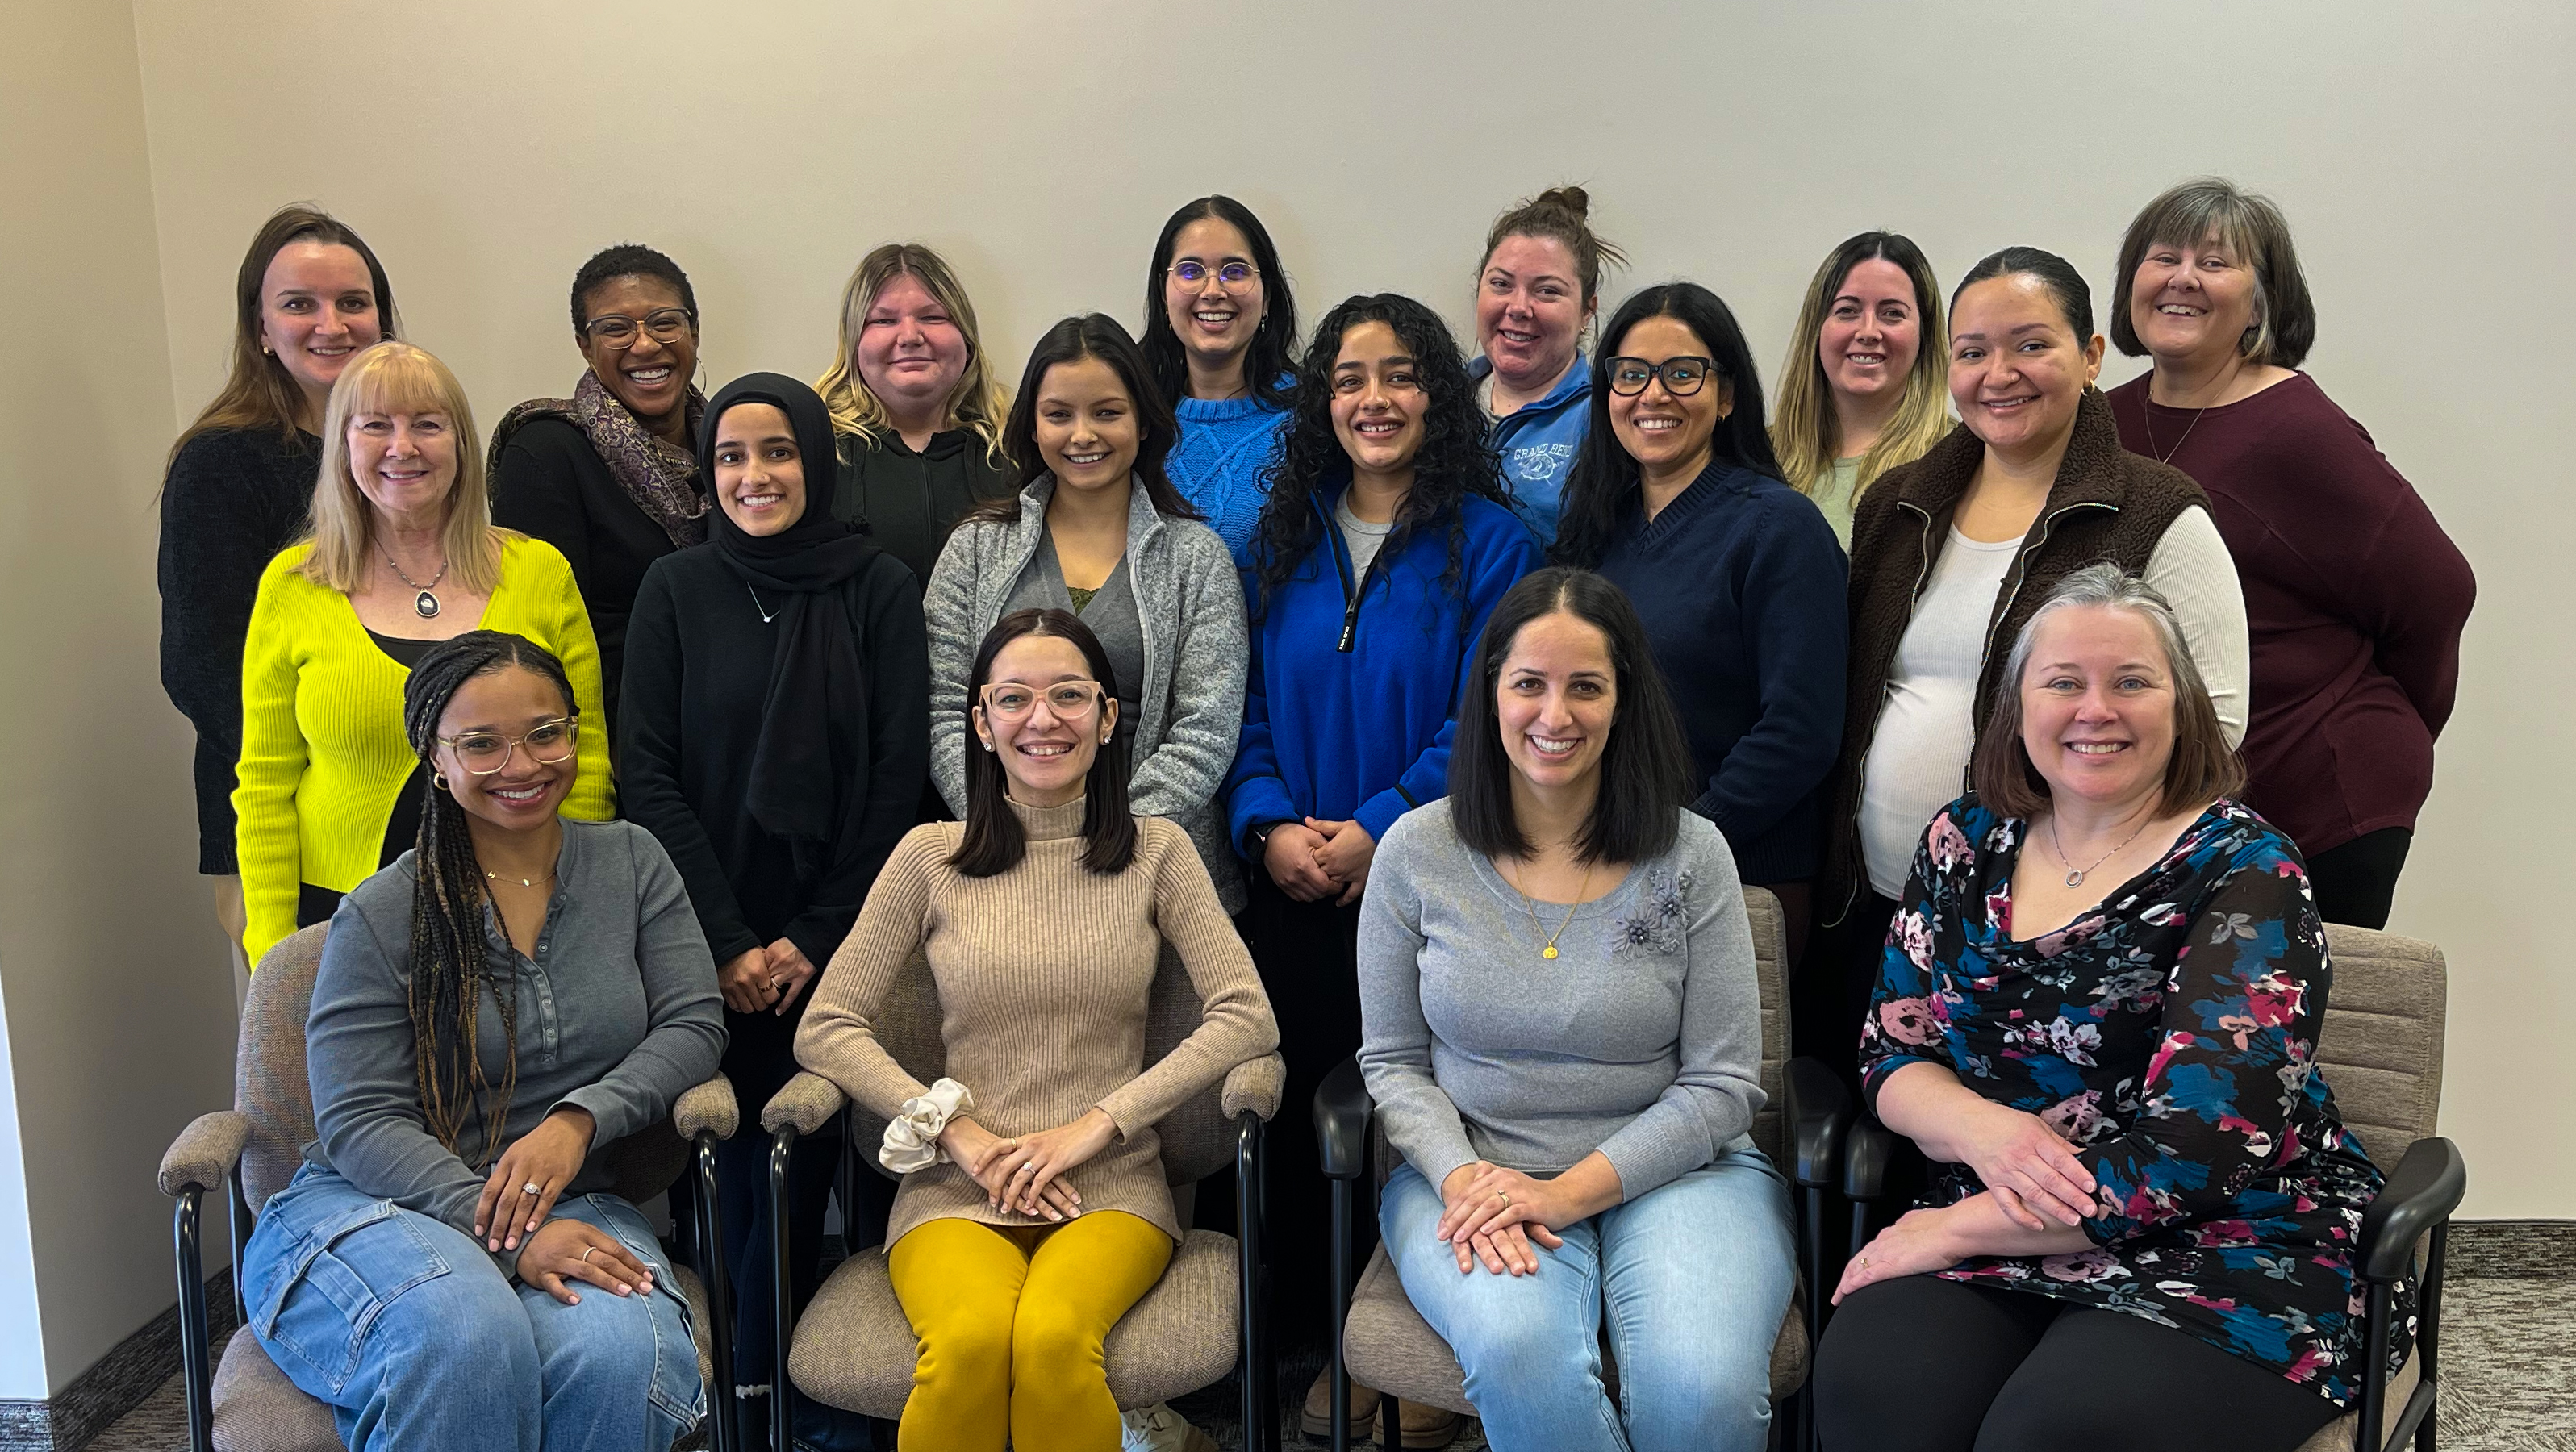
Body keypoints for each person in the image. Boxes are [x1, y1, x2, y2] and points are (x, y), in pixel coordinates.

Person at [1814, 565, 2408, 1452]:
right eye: (2063, 682)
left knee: (2062, 1431)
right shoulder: (1962, 842)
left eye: (2131, 681)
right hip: (2006, 1209)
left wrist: (1949, 1228)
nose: (2096, 709)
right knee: (1879, 1390)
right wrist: (1986, 1134)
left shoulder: (2245, 870)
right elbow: (1890, 1053)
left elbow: (2196, 1155)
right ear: (2018, 707)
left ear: (2182, 708)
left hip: (2236, 1238)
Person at [795, 608, 1278, 1452]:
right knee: (973, 1342)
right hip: (956, 1190)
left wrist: (1098, 1125)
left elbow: (1246, 1013)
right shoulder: (927, 857)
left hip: (1112, 1188)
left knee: (1054, 1340)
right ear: (981, 723)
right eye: (1013, 698)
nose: (1042, 719)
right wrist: (958, 1134)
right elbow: (826, 1027)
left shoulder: (1159, 852)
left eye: (1068, 696)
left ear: (1106, 716)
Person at [240, 630, 724, 1452]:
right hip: (377, 1205)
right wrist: (513, 1233)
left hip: (573, 1197)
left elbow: (694, 1023)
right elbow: (359, 1120)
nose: (523, 764)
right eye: (481, 744)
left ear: (575, 732)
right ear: (434, 756)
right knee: (464, 1331)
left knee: (615, 1357)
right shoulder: (382, 912)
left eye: (545, 732)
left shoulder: (632, 862)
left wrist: (577, 1121)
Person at [1360, 568, 1795, 1452]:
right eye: (1528, 683)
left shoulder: (1692, 853)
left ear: (1623, 700)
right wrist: (1458, 1176)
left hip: (1684, 1173)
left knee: (1701, 1389)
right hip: (1470, 1177)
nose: (1554, 715)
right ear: (1488, 697)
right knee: (1524, 1354)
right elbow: (1392, 1064)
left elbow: (1721, 1085)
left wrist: (1562, 1195)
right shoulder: (1413, 852)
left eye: (1585, 687)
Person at [1225, 292, 1543, 1442]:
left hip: (1427, 887)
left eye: (1401, 375)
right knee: (1306, 1124)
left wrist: (1375, 826)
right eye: (1350, 378)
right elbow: (1243, 705)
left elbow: (1490, 717)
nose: (1374, 398)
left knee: (1413, 1122)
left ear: (1437, 396)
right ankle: (1323, 1342)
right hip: (1289, 886)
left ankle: (1407, 1357)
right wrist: (1266, 823)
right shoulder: (1282, 536)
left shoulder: (1494, 542)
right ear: (1322, 400)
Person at [1808, 247, 2249, 1074]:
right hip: (1871, 907)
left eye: (2030, 345)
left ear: (2089, 354)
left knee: (2004, 1158)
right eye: (1972, 352)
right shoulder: (1896, 503)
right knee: (1873, 1145)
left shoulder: (2157, 512)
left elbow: (2210, 726)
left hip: (2048, 927)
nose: (1997, 373)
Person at [618, 372, 929, 1450]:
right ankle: (737, 1390)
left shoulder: (877, 588)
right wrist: (728, 942)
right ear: (707, 473)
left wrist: (812, 938)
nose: (757, 476)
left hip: (840, 939)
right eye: (733, 457)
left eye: (778, 452)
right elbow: (645, 775)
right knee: (724, 1163)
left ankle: (793, 1388)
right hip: (700, 935)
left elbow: (899, 781)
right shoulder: (674, 588)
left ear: (815, 458)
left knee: (805, 1160)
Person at [2105, 177, 2474, 928]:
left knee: (2274, 1040)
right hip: (2174, 806)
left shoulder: (2300, 433)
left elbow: (2437, 591)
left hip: (2311, 800)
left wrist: (2372, 719)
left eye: (2214, 263)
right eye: (2162, 257)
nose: (2181, 279)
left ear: (2261, 302)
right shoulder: (2100, 423)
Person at [234, 342, 612, 966]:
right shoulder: (294, 585)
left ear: (460, 443)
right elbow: (264, 785)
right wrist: (275, 952)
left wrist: (574, 899)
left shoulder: (538, 572)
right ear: (343, 445)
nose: (402, 447)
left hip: (520, 906)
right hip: (339, 916)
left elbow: (586, 755)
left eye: (427, 425)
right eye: (375, 425)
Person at [1552, 283, 1847, 963]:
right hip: (1601, 867)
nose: (1652, 395)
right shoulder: (1592, 535)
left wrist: (1682, 845)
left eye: (1682, 373)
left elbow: (1799, 730)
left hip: (1737, 873)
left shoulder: (1778, 528)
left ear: (1726, 396)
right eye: (1629, 374)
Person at [927, 314, 1247, 910]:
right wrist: (1008, 828)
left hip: (1157, 874)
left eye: (1106, 412)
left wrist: (1110, 835)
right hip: (1003, 867)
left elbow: (1204, 729)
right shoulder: (974, 549)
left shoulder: (1196, 557)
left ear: (1144, 423)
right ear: (1031, 425)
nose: (1082, 435)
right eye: (1058, 414)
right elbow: (943, 709)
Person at [159, 204, 398, 962]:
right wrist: (326, 768)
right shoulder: (221, 461)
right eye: (299, 304)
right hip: (279, 821)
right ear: (260, 328)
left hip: (399, 804)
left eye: (353, 302)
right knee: (309, 1057)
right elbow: (201, 662)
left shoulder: (409, 448)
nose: (331, 324)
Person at [491, 244, 710, 732]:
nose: (646, 345)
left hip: (725, 729)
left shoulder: (732, 447)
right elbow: (540, 643)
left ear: (693, 331)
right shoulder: (546, 453)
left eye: (664, 321)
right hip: (614, 738)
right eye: (615, 329)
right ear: (584, 346)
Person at [816, 242, 1016, 586]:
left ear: (966, 336)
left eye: (932, 317)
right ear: (853, 342)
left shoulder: (1016, 447)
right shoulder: (815, 451)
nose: (910, 336)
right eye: (884, 320)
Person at [1139, 194, 1300, 562]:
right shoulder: (1128, 415)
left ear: (1268, 296)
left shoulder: (1311, 418)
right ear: (1163, 296)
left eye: (1236, 271)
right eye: (1191, 271)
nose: (1213, 291)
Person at [1770, 232, 1952, 545]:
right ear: (1817, 329)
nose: (1868, 331)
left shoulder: (1958, 459)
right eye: (1847, 311)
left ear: (1924, 334)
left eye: (1892, 313)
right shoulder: (1758, 456)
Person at [1467, 187, 1626, 540]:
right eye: (1501, 284)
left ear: (1588, 310)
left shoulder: (1608, 416)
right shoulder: (1436, 398)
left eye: (1547, 291)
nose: (1519, 307)